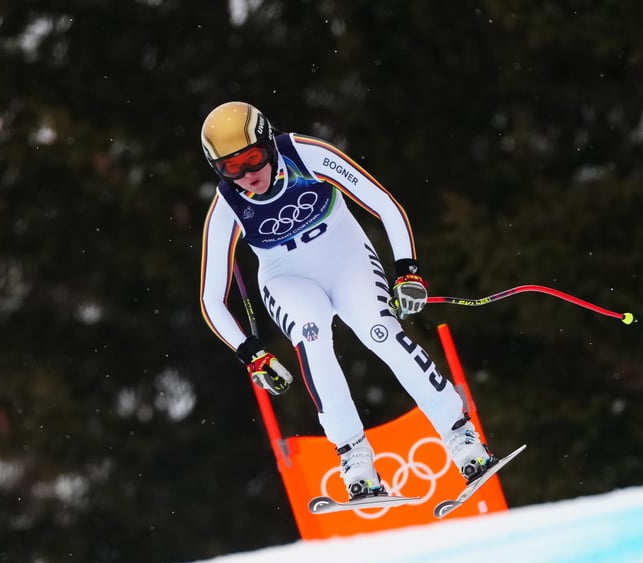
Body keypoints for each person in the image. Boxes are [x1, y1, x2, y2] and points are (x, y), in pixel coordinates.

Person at [199, 101, 496, 500]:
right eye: (231, 168)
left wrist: (407, 271)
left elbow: (384, 204)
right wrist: (250, 353)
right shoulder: (226, 208)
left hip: (346, 259)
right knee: (313, 339)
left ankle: (462, 438)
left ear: (268, 143)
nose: (248, 175)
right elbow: (211, 298)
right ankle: (355, 460)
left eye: (253, 158)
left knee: (379, 331)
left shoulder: (305, 154)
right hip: (287, 278)